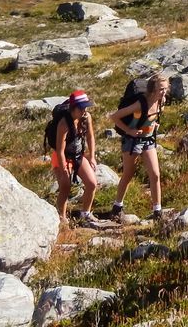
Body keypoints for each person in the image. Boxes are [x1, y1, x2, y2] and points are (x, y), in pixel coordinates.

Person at [109, 73, 168, 220]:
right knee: (128, 174)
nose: (164, 92)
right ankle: (117, 206)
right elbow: (114, 117)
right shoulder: (140, 104)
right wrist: (129, 130)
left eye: (165, 88)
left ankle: (157, 211)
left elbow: (154, 116)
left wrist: (154, 125)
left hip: (148, 140)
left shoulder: (162, 101)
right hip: (132, 141)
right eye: (161, 89)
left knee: (155, 174)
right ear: (153, 89)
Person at [50, 89, 98, 226]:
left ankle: (85, 214)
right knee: (65, 185)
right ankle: (62, 218)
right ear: (74, 108)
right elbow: (60, 150)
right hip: (62, 156)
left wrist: (92, 156)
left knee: (92, 183)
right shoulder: (64, 124)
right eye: (82, 108)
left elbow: (90, 137)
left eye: (86, 107)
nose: (85, 110)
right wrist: (64, 167)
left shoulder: (86, 117)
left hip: (78, 155)